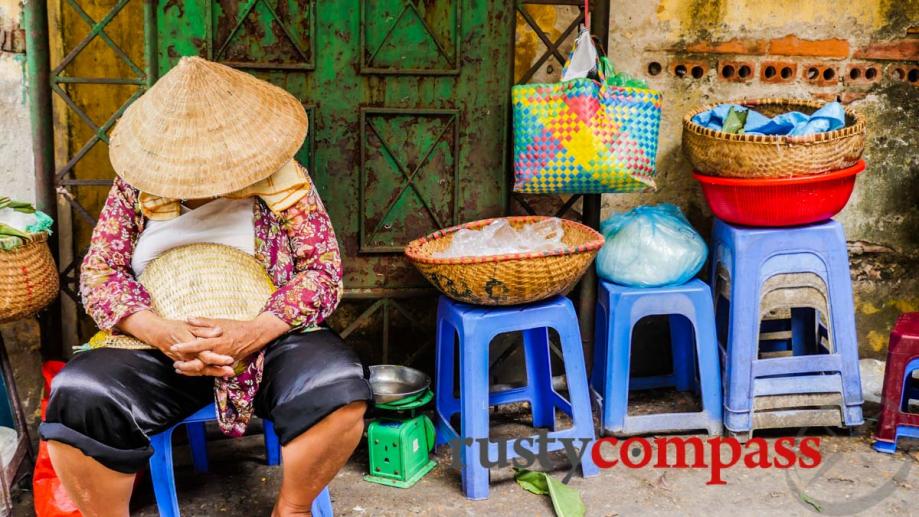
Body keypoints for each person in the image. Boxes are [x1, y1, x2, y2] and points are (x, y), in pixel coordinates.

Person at [38, 57, 371, 517]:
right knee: (79, 397)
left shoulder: (285, 180)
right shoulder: (136, 185)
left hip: (268, 334)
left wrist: (251, 333)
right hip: (152, 343)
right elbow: (100, 274)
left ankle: (291, 510)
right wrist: (161, 332)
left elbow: (322, 271)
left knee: (338, 387)